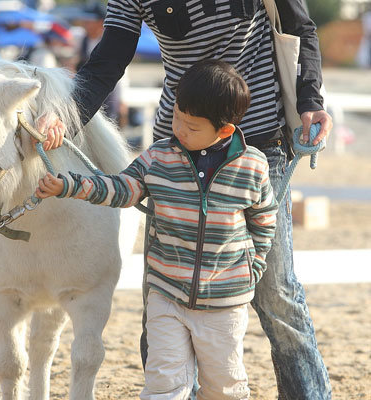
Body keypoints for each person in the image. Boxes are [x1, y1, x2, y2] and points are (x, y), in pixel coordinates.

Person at [38, 1, 334, 398]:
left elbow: (302, 27)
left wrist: (311, 99)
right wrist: (64, 112)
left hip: (260, 142)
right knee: (164, 291)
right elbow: (108, 59)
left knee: (277, 295)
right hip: (176, 145)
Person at [36, 59, 279, 399]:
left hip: (225, 304)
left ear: (224, 130)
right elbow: (121, 188)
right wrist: (69, 185)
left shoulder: (253, 166)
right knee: (164, 382)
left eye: (192, 127)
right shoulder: (159, 157)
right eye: (177, 117)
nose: (179, 129)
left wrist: (254, 267)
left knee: (225, 387)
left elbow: (265, 220)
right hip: (166, 297)